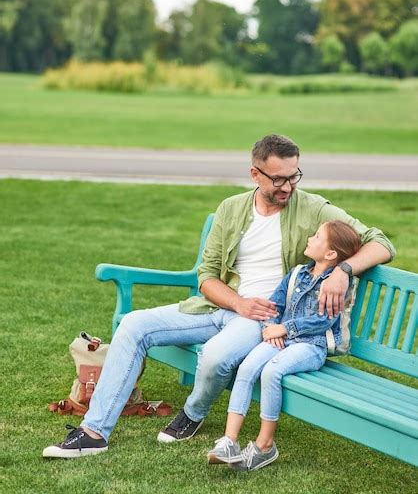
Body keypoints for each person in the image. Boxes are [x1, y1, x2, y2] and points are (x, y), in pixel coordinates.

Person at [43, 134, 395, 458]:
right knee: (134, 325)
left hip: (262, 319)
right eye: (278, 179)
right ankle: (94, 432)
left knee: (214, 355)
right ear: (255, 174)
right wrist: (236, 301)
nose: (288, 186)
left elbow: (381, 242)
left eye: (294, 176)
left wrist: (342, 271)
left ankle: (192, 413)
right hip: (218, 306)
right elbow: (207, 276)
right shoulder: (231, 209)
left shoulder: (314, 208)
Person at [207, 220, 361, 472]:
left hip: (311, 346)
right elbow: (274, 306)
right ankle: (229, 442)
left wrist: (285, 329)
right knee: (246, 368)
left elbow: (323, 319)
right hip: (281, 339)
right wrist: (271, 327)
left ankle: (264, 446)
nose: (310, 238)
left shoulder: (335, 284)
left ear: (331, 253)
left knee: (271, 371)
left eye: (317, 236)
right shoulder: (297, 273)